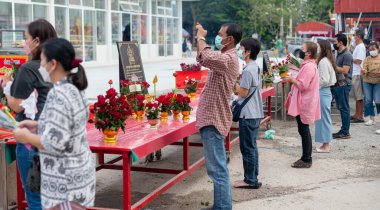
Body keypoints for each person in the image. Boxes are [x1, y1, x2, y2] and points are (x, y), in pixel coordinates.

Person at [13, 38, 95, 210]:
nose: (40, 65)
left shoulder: (58, 94)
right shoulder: (74, 88)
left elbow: (54, 144)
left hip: (64, 184)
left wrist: (26, 136)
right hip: (78, 177)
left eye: (42, 60)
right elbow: (67, 127)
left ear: (53, 64)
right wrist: (38, 125)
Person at [1, 19, 57, 210]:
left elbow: (16, 106)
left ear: (36, 40)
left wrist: (7, 86)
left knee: (36, 199)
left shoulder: (29, 69)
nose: (23, 42)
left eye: (25, 38)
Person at [195, 22, 242, 210]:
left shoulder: (228, 59)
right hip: (212, 117)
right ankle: (220, 205)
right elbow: (203, 58)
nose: (217, 36)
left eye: (220, 34)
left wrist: (200, 37)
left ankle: (223, 207)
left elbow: (205, 55)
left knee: (218, 170)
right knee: (217, 169)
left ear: (229, 39)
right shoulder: (224, 56)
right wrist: (200, 40)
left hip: (214, 119)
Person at [282, 41, 320, 168]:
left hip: (305, 101)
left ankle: (306, 159)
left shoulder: (309, 67)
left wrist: (291, 79)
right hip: (304, 100)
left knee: (304, 130)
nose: (301, 50)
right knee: (303, 129)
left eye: (303, 49)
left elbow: (303, 85)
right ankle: (306, 157)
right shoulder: (308, 65)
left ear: (308, 53)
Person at [233, 38, 263, 189]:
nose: (240, 50)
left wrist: (233, 83)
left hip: (248, 113)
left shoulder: (248, 70)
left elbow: (243, 92)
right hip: (255, 112)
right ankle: (253, 177)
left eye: (241, 48)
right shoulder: (255, 67)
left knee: (247, 148)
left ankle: (250, 180)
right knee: (252, 147)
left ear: (248, 51)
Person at [315, 40, 337, 153]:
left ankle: (326, 145)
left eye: (318, 47)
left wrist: (313, 85)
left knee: (324, 119)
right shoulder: (326, 60)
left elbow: (324, 80)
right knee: (323, 119)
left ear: (322, 48)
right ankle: (324, 143)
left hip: (323, 91)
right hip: (324, 92)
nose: (317, 49)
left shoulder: (323, 61)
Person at [332, 33, 353, 139]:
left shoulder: (347, 55)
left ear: (340, 42)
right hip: (338, 84)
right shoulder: (339, 53)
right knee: (341, 108)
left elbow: (345, 70)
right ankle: (343, 130)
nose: (334, 44)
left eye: (335, 42)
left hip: (344, 84)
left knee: (344, 108)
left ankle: (345, 132)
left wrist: (333, 65)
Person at [361, 41, 380, 128]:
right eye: (370, 49)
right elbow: (363, 69)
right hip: (367, 81)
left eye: (374, 49)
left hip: (378, 82)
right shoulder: (367, 59)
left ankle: (378, 118)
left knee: (377, 100)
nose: (372, 51)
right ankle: (371, 119)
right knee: (368, 100)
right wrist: (363, 71)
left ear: (378, 49)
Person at [351, 29, 366, 123]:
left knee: (359, 96)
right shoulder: (358, 46)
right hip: (355, 73)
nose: (353, 37)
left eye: (354, 35)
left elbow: (359, 61)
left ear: (359, 36)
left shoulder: (360, 47)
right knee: (357, 96)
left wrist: (350, 59)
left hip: (358, 73)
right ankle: (357, 114)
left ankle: (360, 116)